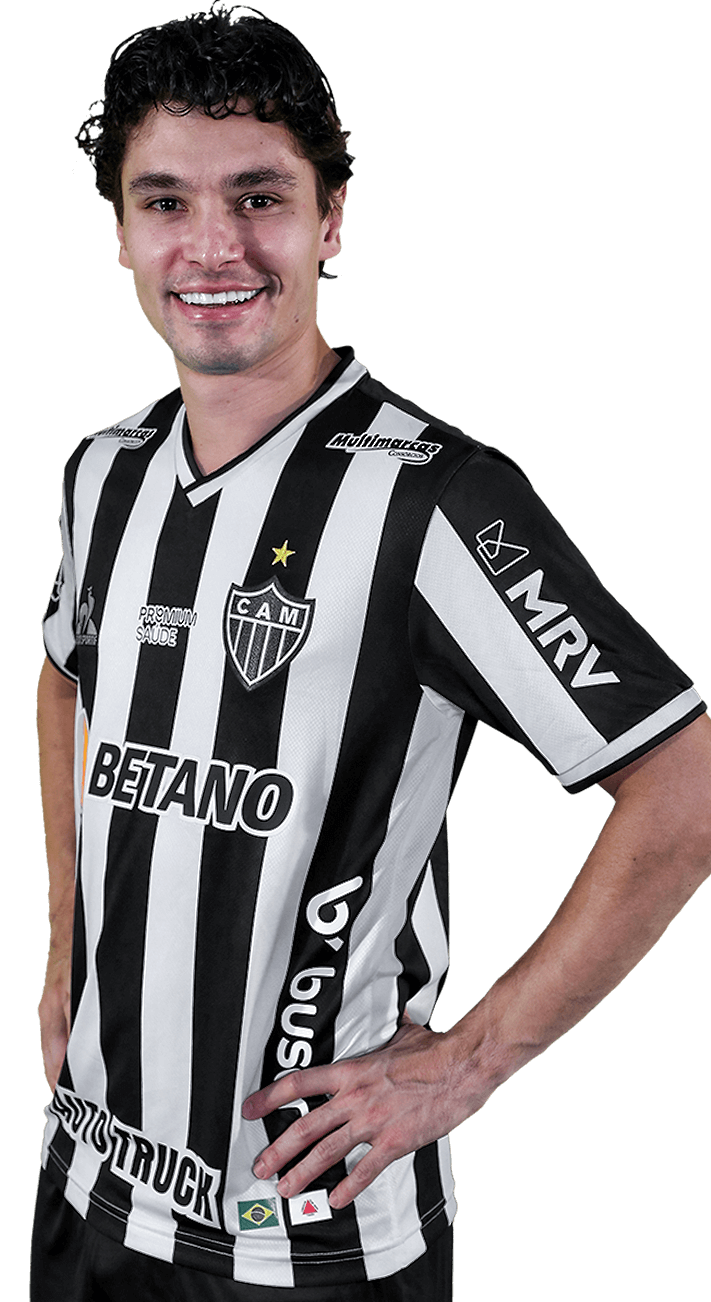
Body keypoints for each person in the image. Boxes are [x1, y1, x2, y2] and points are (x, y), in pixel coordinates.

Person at [31, 5, 710, 1300]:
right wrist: (67, 940)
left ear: (330, 219)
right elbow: (67, 673)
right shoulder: (103, 473)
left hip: (313, 1227)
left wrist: (470, 1062)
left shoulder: (437, 498)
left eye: (259, 198)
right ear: (119, 230)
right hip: (87, 1183)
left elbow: (684, 783)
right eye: (165, 201)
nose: (213, 247)